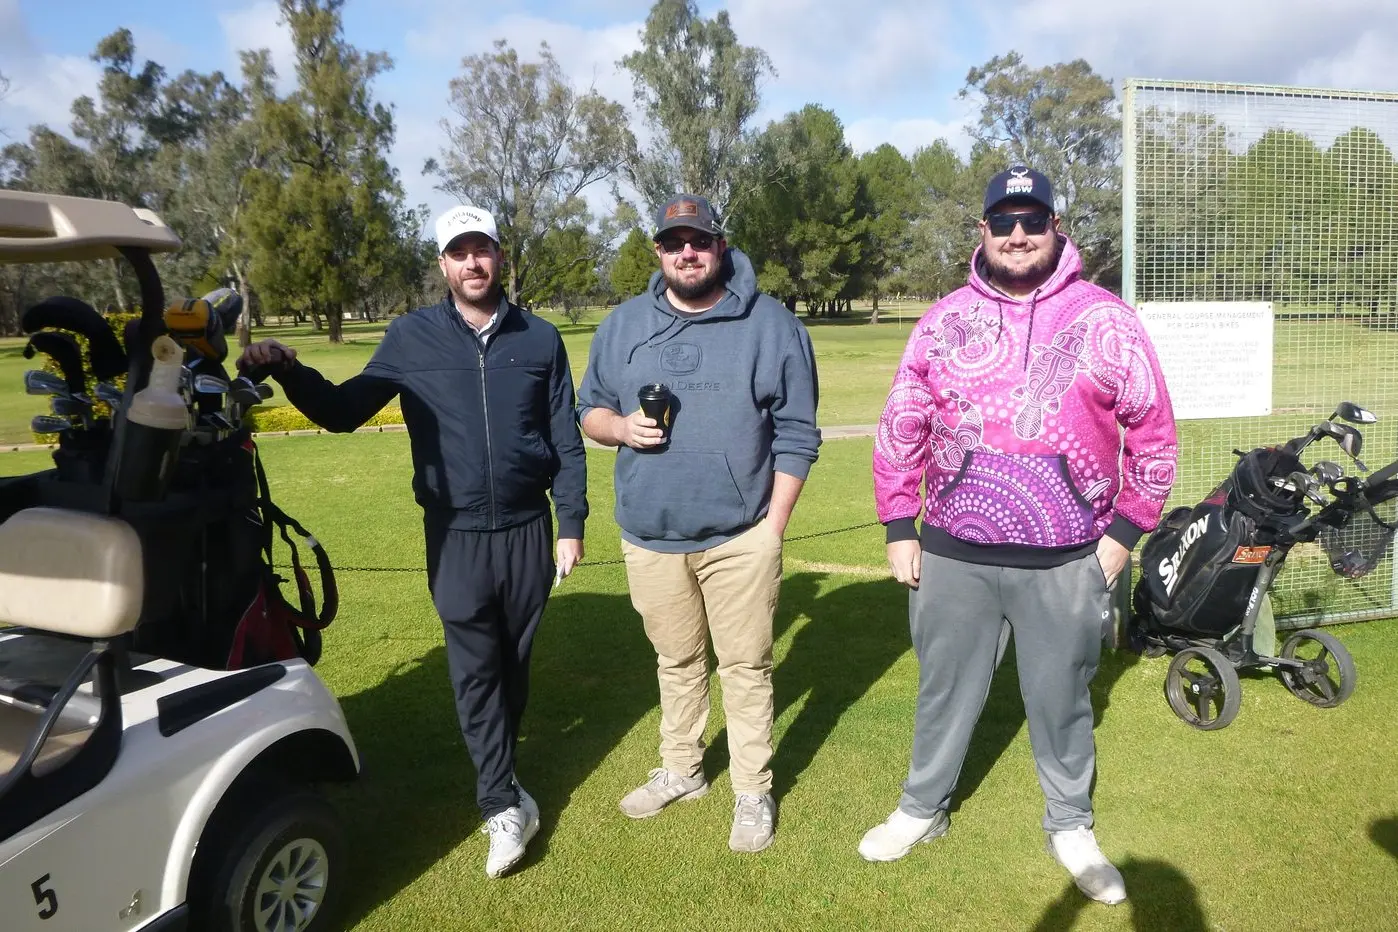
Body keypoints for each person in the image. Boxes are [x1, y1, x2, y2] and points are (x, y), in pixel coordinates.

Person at [237, 205, 586, 880]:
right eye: (459, 251)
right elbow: (342, 412)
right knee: (474, 669)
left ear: (499, 255)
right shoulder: (412, 336)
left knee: (512, 672)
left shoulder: (540, 340)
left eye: (481, 248)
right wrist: (286, 367)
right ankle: (500, 805)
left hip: (526, 531)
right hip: (453, 535)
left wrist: (569, 523)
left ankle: (506, 779)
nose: (472, 262)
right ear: (443, 264)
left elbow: (565, 438)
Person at [864, 166, 1178, 904]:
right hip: (950, 553)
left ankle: (1070, 823)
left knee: (1062, 697)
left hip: (1069, 557)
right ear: (982, 232)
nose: (1016, 235)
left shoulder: (1107, 320)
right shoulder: (942, 320)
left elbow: (1155, 435)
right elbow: (902, 421)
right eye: (1002, 222)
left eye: (1031, 220)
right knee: (943, 691)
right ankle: (921, 807)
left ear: (1054, 228)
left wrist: (1125, 533)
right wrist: (898, 523)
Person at [577, 194, 820, 853]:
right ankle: (683, 770)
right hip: (649, 535)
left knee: (745, 666)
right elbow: (589, 411)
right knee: (676, 660)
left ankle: (751, 791)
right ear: (657, 251)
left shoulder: (771, 326)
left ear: (719, 246)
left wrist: (774, 526)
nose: (687, 252)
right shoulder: (623, 326)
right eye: (673, 241)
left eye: (698, 240)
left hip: (740, 535)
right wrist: (620, 426)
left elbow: (798, 433)